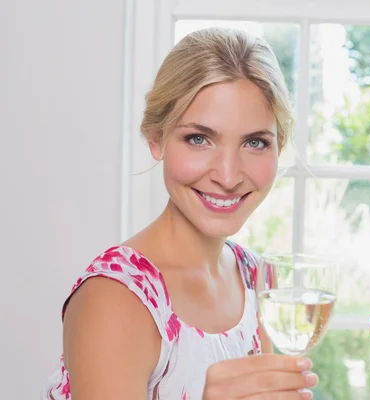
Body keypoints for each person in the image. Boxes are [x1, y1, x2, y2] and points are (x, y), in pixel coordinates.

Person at [42, 27, 317, 400]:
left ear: (278, 147)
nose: (228, 175)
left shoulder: (258, 280)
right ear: (156, 138)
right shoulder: (117, 298)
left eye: (255, 142)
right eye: (199, 139)